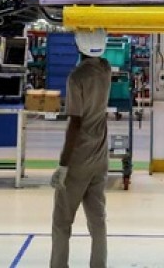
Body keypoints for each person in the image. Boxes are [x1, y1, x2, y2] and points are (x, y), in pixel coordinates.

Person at [50, 29, 112, 268]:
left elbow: (75, 123)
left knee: (62, 222)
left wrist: (63, 165)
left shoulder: (76, 77)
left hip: (78, 159)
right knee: (98, 220)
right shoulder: (105, 69)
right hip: (100, 155)